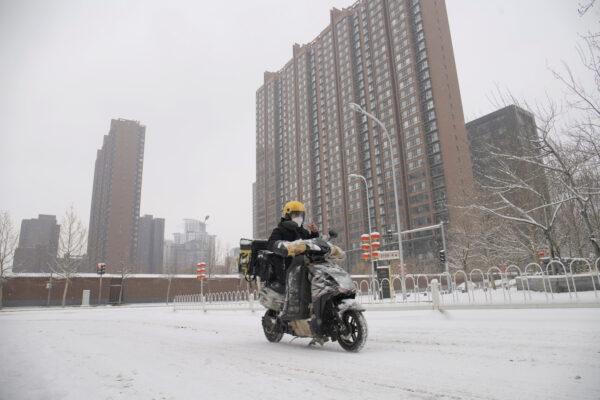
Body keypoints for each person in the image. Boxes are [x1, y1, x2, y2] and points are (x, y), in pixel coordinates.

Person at [267, 200, 318, 319]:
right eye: (295, 215)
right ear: (287, 215)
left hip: (304, 266)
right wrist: (283, 246)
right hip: (287, 266)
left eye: (300, 215)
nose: (298, 218)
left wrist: (314, 233)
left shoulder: (302, 231)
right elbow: (271, 243)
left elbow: (312, 243)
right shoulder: (279, 230)